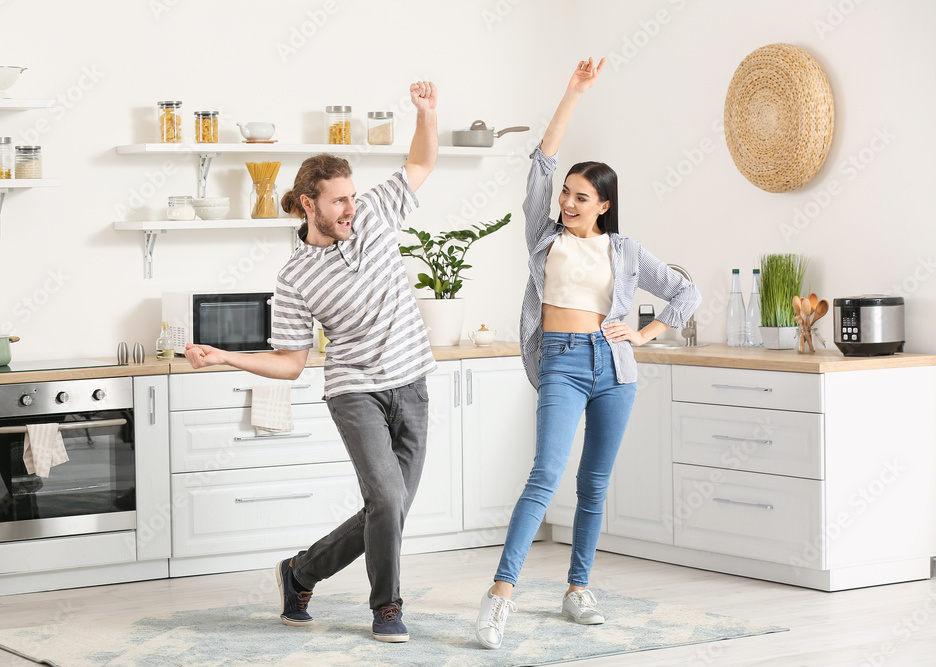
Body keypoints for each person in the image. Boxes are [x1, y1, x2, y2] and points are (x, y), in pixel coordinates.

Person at [185, 81, 439, 643]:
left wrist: (426, 113)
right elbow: (292, 362)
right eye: (339, 200)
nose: (352, 207)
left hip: (413, 381)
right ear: (309, 204)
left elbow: (422, 159)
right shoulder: (294, 278)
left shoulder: (373, 215)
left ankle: (300, 572)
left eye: (353, 197)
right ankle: (386, 608)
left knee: (387, 510)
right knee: (389, 500)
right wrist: (225, 355)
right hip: (355, 393)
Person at [474, 59, 700, 649]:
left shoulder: (623, 249)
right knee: (546, 474)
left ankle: (578, 588)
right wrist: (573, 93)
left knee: (594, 484)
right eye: (567, 195)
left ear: (603, 204)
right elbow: (541, 165)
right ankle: (500, 593)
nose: (568, 203)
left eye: (581, 197)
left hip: (613, 368)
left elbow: (685, 291)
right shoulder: (542, 237)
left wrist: (644, 336)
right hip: (561, 362)